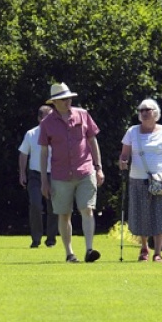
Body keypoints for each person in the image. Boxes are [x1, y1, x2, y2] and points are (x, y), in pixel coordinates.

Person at [39, 83, 104, 263]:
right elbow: (44, 153)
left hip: (85, 170)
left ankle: (89, 249)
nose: (67, 101)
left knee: (87, 209)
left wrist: (98, 168)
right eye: (63, 99)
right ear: (55, 102)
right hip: (60, 175)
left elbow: (92, 141)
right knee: (64, 214)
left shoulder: (83, 115)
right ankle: (69, 253)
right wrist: (44, 180)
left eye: (69, 98)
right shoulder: (47, 123)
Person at [118, 99, 162, 262]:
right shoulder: (132, 132)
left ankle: (157, 252)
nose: (143, 113)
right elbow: (124, 153)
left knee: (159, 215)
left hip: (161, 180)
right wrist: (122, 161)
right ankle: (144, 248)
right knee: (142, 215)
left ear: (155, 113)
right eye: (141, 110)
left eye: (147, 110)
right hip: (138, 179)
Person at [18, 105, 59, 248]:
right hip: (35, 175)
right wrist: (22, 173)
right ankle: (36, 238)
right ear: (39, 119)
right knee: (35, 204)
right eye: (46, 118)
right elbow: (23, 154)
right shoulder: (31, 134)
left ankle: (51, 239)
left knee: (53, 207)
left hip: (53, 174)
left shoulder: (57, 134)